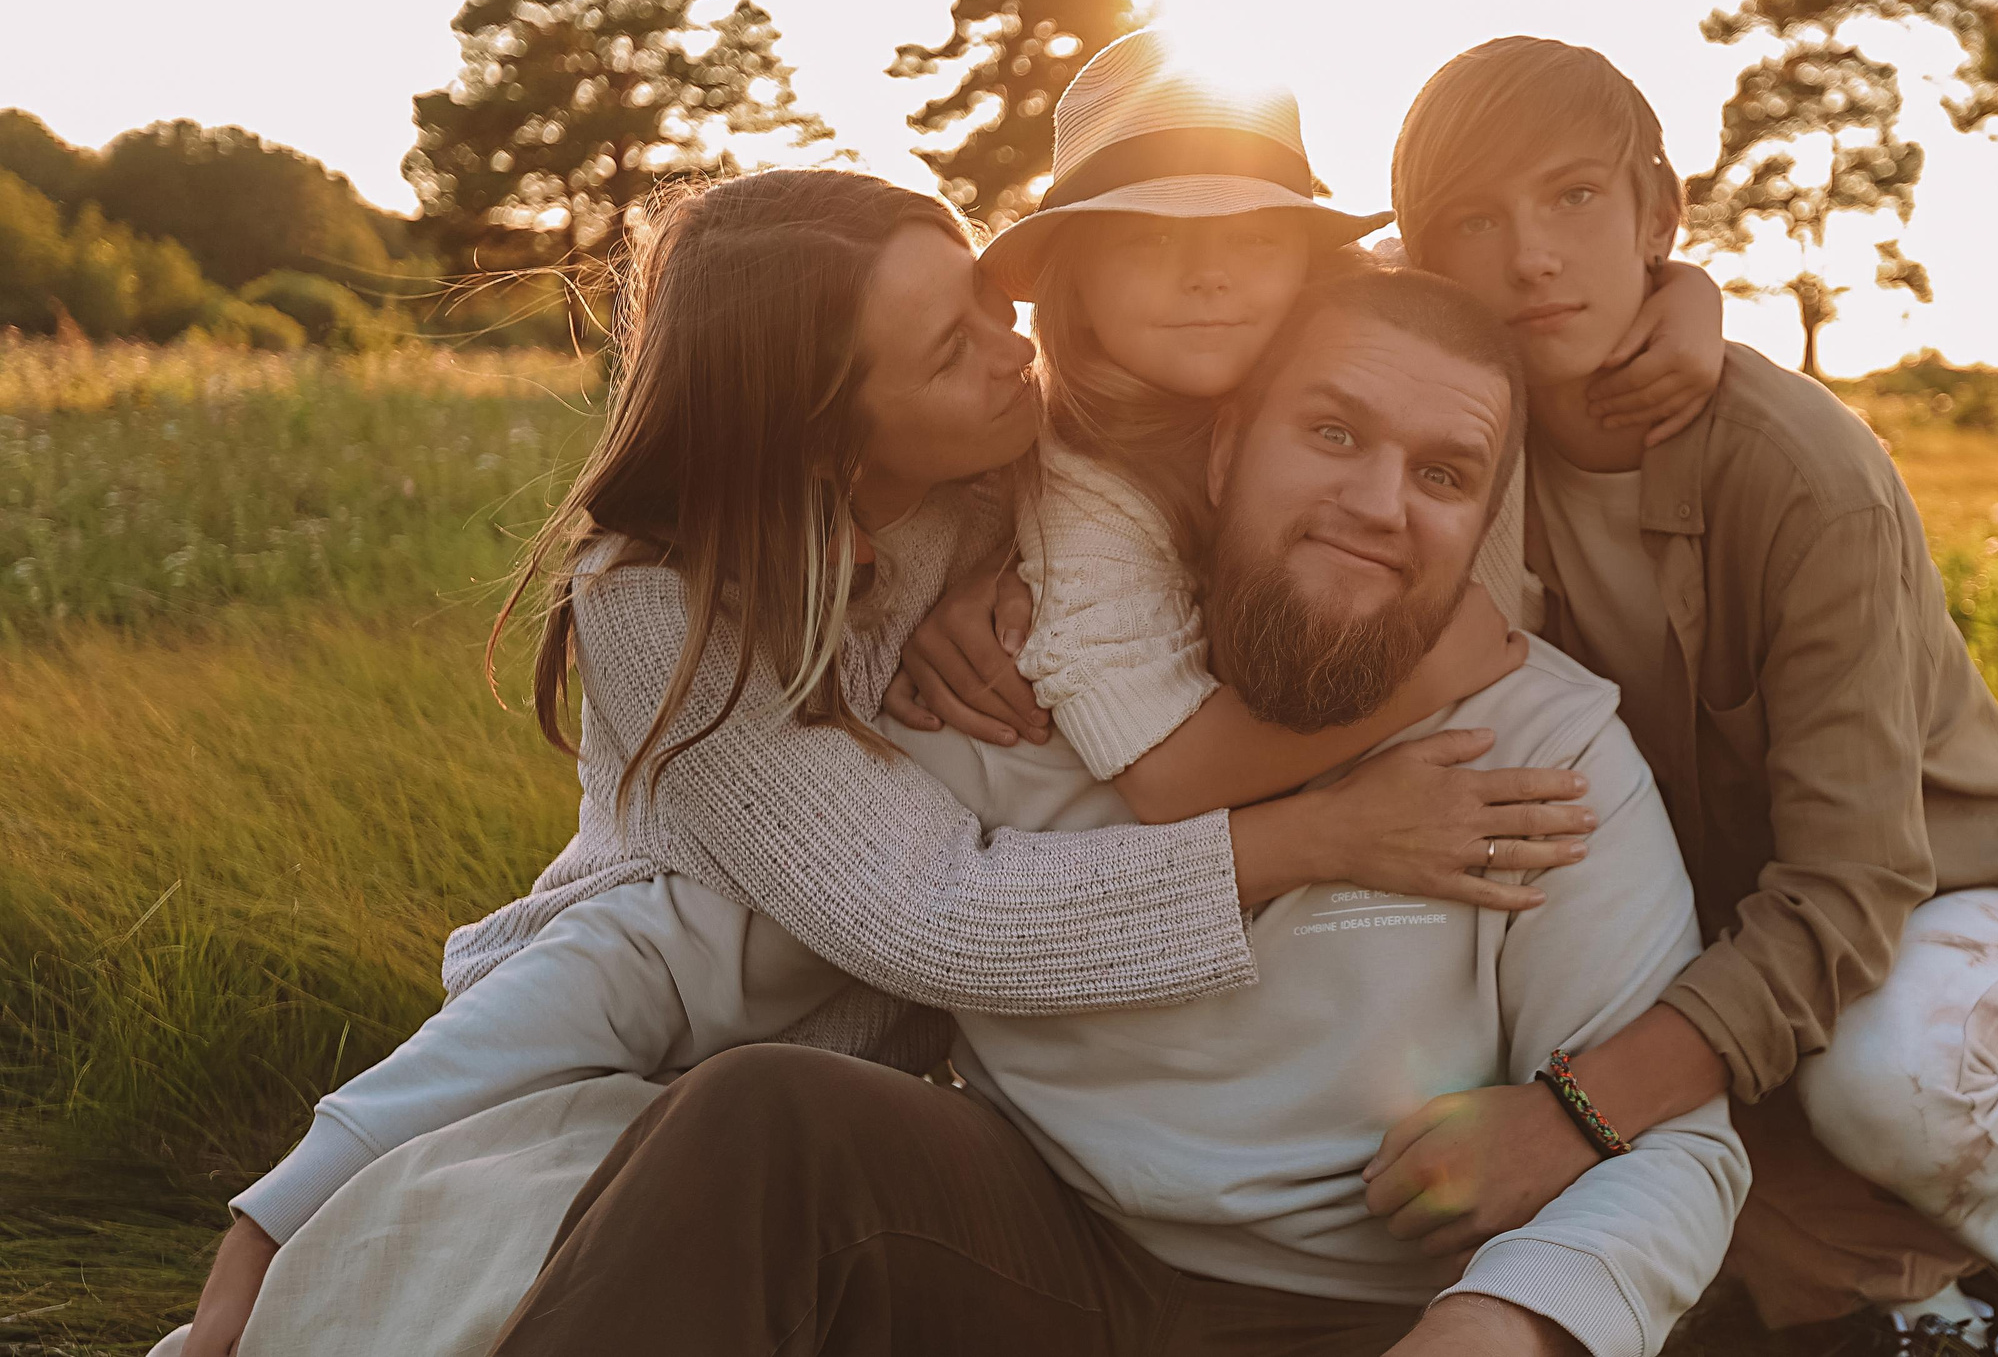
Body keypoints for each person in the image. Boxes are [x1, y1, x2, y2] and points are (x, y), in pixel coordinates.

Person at [170, 169, 1599, 1357]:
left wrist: (1674, 298)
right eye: (948, 349)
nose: (1012, 347)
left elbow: (1353, 315)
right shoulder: (654, 602)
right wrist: (1327, 829)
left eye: (987, 294)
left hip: (850, 1073)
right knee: (373, 1276)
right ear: (828, 427)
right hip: (642, 991)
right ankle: (250, 1266)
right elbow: (928, 912)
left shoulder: (1009, 477)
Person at [483, 268, 1749, 1357]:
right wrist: (389, 1125)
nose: (1379, 502)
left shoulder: (1544, 745)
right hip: (1035, 1242)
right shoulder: (1017, 683)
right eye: (1331, 434)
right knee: (761, 1118)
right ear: (1220, 450)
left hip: (1356, 1310)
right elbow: (788, 933)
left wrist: (1507, 1324)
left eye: (1443, 472)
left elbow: (1676, 1149)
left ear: (1482, 522)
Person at [1369, 39, 1998, 1355]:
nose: (1532, 257)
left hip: (1960, 890)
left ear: (1660, 213)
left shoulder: (1803, 476)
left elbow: (1849, 895)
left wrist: (1567, 1116)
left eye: (1573, 200)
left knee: (1884, 1073)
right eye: (1474, 222)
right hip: (1739, 910)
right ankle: (1897, 1292)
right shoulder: (1467, 442)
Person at [882, 27, 1728, 812]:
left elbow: (1509, 291)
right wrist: (1433, 677)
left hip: (1564, 736)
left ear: (1307, 258)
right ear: (1075, 276)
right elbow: (1164, 770)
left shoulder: (1377, 326)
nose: (1208, 278)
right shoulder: (1084, 477)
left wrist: (1690, 293)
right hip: (1382, 729)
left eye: (1253, 239)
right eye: (1148, 240)